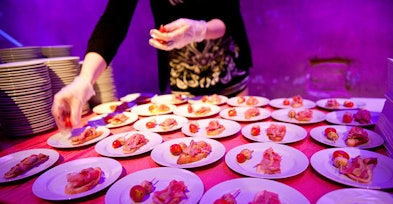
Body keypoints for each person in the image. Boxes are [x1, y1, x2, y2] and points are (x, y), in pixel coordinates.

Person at [52, 0, 252, 132]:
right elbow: (113, 22)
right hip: (182, 72)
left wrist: (201, 30)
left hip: (227, 67)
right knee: (192, 140)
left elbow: (230, 17)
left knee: (236, 134)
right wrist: (84, 81)